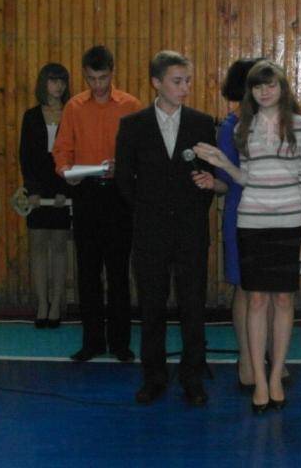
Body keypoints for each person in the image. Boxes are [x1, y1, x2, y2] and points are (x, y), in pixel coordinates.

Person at [194, 60, 301, 413]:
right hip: (251, 224)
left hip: (290, 225)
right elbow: (246, 178)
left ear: (283, 88)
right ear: (250, 91)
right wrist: (222, 161)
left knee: (284, 302)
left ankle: (276, 376)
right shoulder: (241, 128)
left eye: (271, 84)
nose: (264, 91)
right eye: (258, 86)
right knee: (257, 300)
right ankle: (259, 382)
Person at [115, 50, 218, 406]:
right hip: (150, 230)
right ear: (156, 83)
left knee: (193, 306)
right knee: (151, 308)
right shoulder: (133, 125)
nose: (185, 88)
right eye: (177, 81)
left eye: (188, 81)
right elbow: (124, 179)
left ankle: (193, 378)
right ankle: (153, 377)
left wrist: (196, 203)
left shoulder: (202, 123)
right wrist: (149, 211)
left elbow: (210, 176)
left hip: (191, 229)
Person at [53, 45, 141, 362]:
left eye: (102, 78)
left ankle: (120, 343)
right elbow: (62, 149)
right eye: (91, 79)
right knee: (87, 271)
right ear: (84, 75)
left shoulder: (131, 105)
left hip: (119, 194)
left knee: (118, 272)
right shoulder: (74, 107)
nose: (98, 85)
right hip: (86, 193)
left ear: (112, 73)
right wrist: (66, 172)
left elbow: (142, 151)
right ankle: (92, 342)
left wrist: (125, 167)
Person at [216, 56, 288, 390]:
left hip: (277, 213)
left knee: (274, 290)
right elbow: (224, 177)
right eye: (257, 84)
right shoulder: (232, 126)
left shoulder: (282, 122)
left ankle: (274, 357)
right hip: (243, 212)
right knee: (246, 288)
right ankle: (247, 359)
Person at [19, 63, 72, 329]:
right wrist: (33, 191)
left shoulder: (72, 114)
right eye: (53, 80)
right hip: (37, 189)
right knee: (38, 246)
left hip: (63, 186)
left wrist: (66, 190)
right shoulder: (30, 116)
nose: (58, 86)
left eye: (62, 81)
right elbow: (25, 157)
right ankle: (42, 303)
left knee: (60, 246)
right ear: (43, 83)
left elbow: (74, 154)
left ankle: (56, 305)